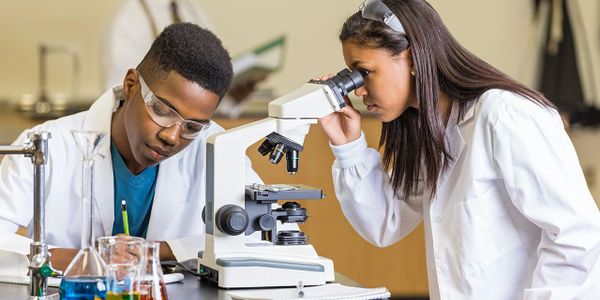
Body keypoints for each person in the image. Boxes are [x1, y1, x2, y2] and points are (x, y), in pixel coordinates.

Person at [318, 0, 600, 298]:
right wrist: (348, 146)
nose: (358, 90)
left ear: (412, 60)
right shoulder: (434, 130)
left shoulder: (504, 115)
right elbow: (385, 223)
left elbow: (577, 236)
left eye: (364, 72)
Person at [0, 23, 260, 270]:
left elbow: (271, 238)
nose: (171, 136)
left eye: (191, 127)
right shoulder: (49, 145)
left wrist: (160, 251)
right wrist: (84, 258)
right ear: (131, 85)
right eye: (161, 109)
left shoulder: (217, 149)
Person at [102, 0, 263, 118]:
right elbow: (122, 97)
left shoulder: (193, 11)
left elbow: (208, 80)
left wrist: (231, 98)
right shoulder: (128, 20)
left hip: (192, 134)